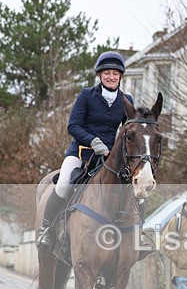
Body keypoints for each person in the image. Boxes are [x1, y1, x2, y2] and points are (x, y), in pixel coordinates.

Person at [37, 51, 134, 251]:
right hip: (82, 153)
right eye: (106, 73)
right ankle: (46, 230)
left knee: (134, 189)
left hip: (108, 158)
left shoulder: (126, 100)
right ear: (99, 75)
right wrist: (94, 141)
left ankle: (138, 234)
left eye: (115, 73)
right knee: (63, 184)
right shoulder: (86, 95)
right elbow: (73, 125)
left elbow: (128, 130)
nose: (111, 77)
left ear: (120, 76)